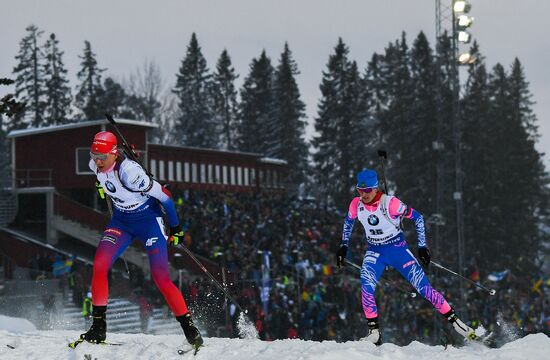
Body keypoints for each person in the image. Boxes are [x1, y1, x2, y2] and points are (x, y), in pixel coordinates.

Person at [81, 131, 203, 349]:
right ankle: (98, 328)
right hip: (121, 222)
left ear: (114, 153)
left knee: (160, 277)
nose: (97, 161)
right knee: (99, 265)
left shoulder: (130, 172)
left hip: (148, 221)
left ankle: (189, 329)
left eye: (102, 157)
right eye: (94, 155)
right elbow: (104, 179)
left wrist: (176, 228)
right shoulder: (94, 165)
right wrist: (102, 186)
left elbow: (165, 196)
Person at [336, 168, 477, 345]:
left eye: (367, 191)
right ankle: (374, 332)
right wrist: (343, 246)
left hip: (397, 250)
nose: (363, 194)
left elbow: (418, 217)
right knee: (366, 283)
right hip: (375, 251)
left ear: (376, 188)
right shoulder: (355, 205)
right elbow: (348, 222)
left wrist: (422, 247)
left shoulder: (391, 203)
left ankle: (458, 324)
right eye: (359, 190)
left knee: (424, 288)